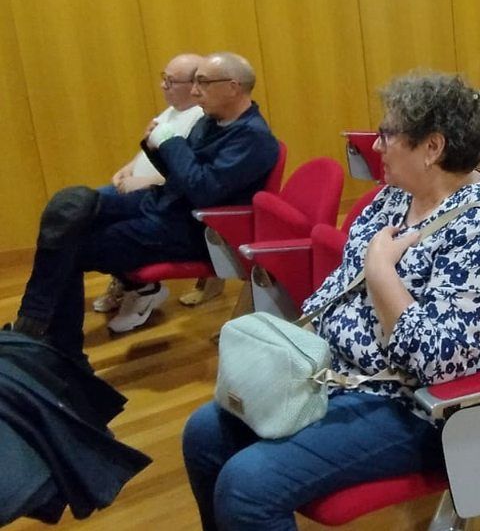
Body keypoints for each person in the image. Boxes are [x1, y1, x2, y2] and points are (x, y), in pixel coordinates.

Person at [183, 72, 480, 530]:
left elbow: (442, 365)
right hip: (338, 375)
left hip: (415, 407)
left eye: (388, 134)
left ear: (432, 147)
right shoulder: (393, 199)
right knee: (203, 433)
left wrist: (382, 273)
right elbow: (337, 288)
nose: (376, 146)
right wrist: (297, 349)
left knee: (247, 485)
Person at [7, 53, 279, 357]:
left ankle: (52, 342)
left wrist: (171, 142)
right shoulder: (210, 122)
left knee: (73, 246)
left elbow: (203, 190)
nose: (194, 91)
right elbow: (179, 174)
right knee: (69, 211)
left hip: (190, 229)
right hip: (163, 204)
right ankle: (38, 328)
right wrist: (155, 147)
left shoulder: (254, 139)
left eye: (203, 82)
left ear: (233, 87)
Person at [91, 54, 210, 314]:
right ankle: (129, 282)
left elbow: (188, 174)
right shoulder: (172, 111)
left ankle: (139, 286)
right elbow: (150, 149)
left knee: (89, 222)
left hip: (159, 196)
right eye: (163, 78)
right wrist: (128, 168)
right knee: (81, 211)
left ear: (194, 84)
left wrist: (144, 181)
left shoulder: (201, 120)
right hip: (137, 188)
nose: (163, 86)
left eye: (170, 81)